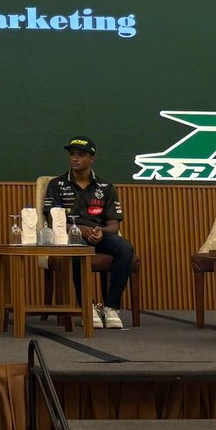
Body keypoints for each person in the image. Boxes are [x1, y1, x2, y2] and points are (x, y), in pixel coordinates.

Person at [42, 135, 133, 329]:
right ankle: (87, 306)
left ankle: (111, 307)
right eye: (72, 154)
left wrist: (100, 231)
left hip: (98, 235)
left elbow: (114, 226)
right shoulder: (56, 185)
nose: (75, 158)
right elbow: (53, 221)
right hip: (70, 236)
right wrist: (79, 230)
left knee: (125, 248)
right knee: (77, 248)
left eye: (81, 155)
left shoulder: (105, 187)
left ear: (92, 159)